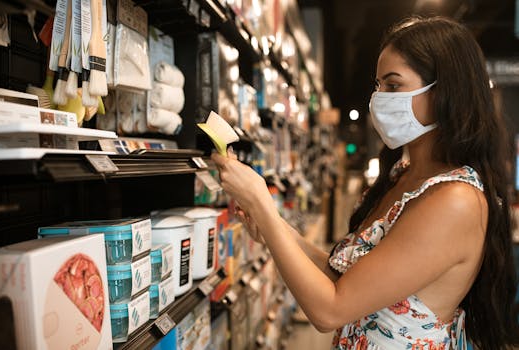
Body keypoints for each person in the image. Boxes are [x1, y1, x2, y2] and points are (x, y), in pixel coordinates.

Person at [212, 16, 519, 349]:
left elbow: (330, 309)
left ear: (444, 91)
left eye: (393, 85)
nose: (378, 99)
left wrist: (261, 205)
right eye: (378, 86)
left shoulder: (455, 201)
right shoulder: (404, 177)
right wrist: (274, 225)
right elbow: (345, 280)